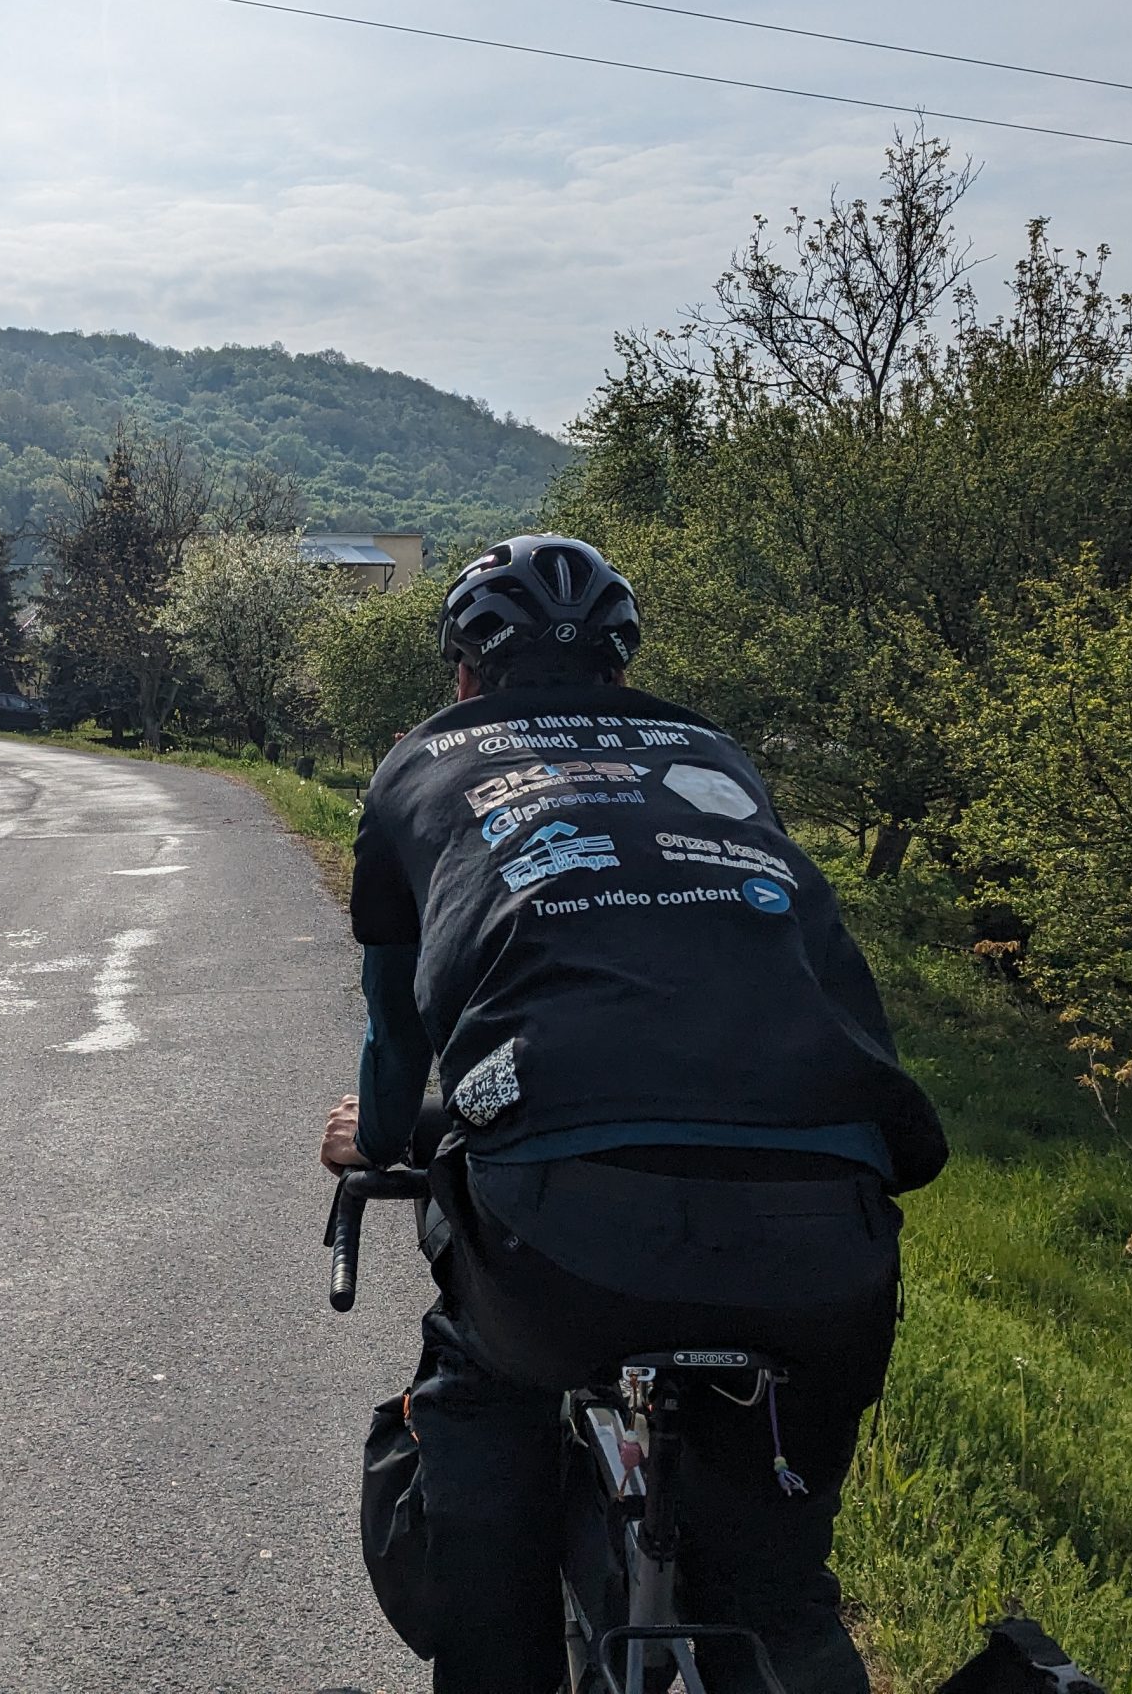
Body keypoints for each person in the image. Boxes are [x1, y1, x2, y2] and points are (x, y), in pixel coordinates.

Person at [324, 534, 947, 1694]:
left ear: (460, 675)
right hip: (827, 1227)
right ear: (620, 672)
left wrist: (384, 1135)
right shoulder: (712, 755)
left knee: (486, 1401)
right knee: (771, 1579)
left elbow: (396, 1035)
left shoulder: (417, 767)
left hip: (560, 1232)